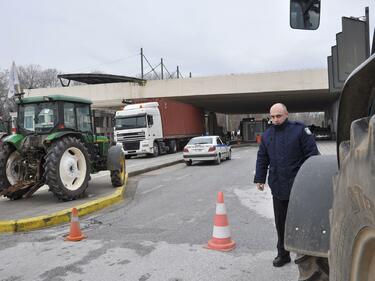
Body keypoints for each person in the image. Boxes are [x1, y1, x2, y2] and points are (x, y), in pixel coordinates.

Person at [254, 103, 319, 267]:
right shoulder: (267, 135)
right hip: (278, 188)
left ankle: (307, 254)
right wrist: (260, 178)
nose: (275, 119)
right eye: (272, 116)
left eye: (278, 116)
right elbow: (262, 158)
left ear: (286, 114)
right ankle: (283, 254)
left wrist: (311, 179)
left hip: (299, 186)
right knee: (281, 223)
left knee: (303, 222)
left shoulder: (300, 131)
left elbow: (312, 155)